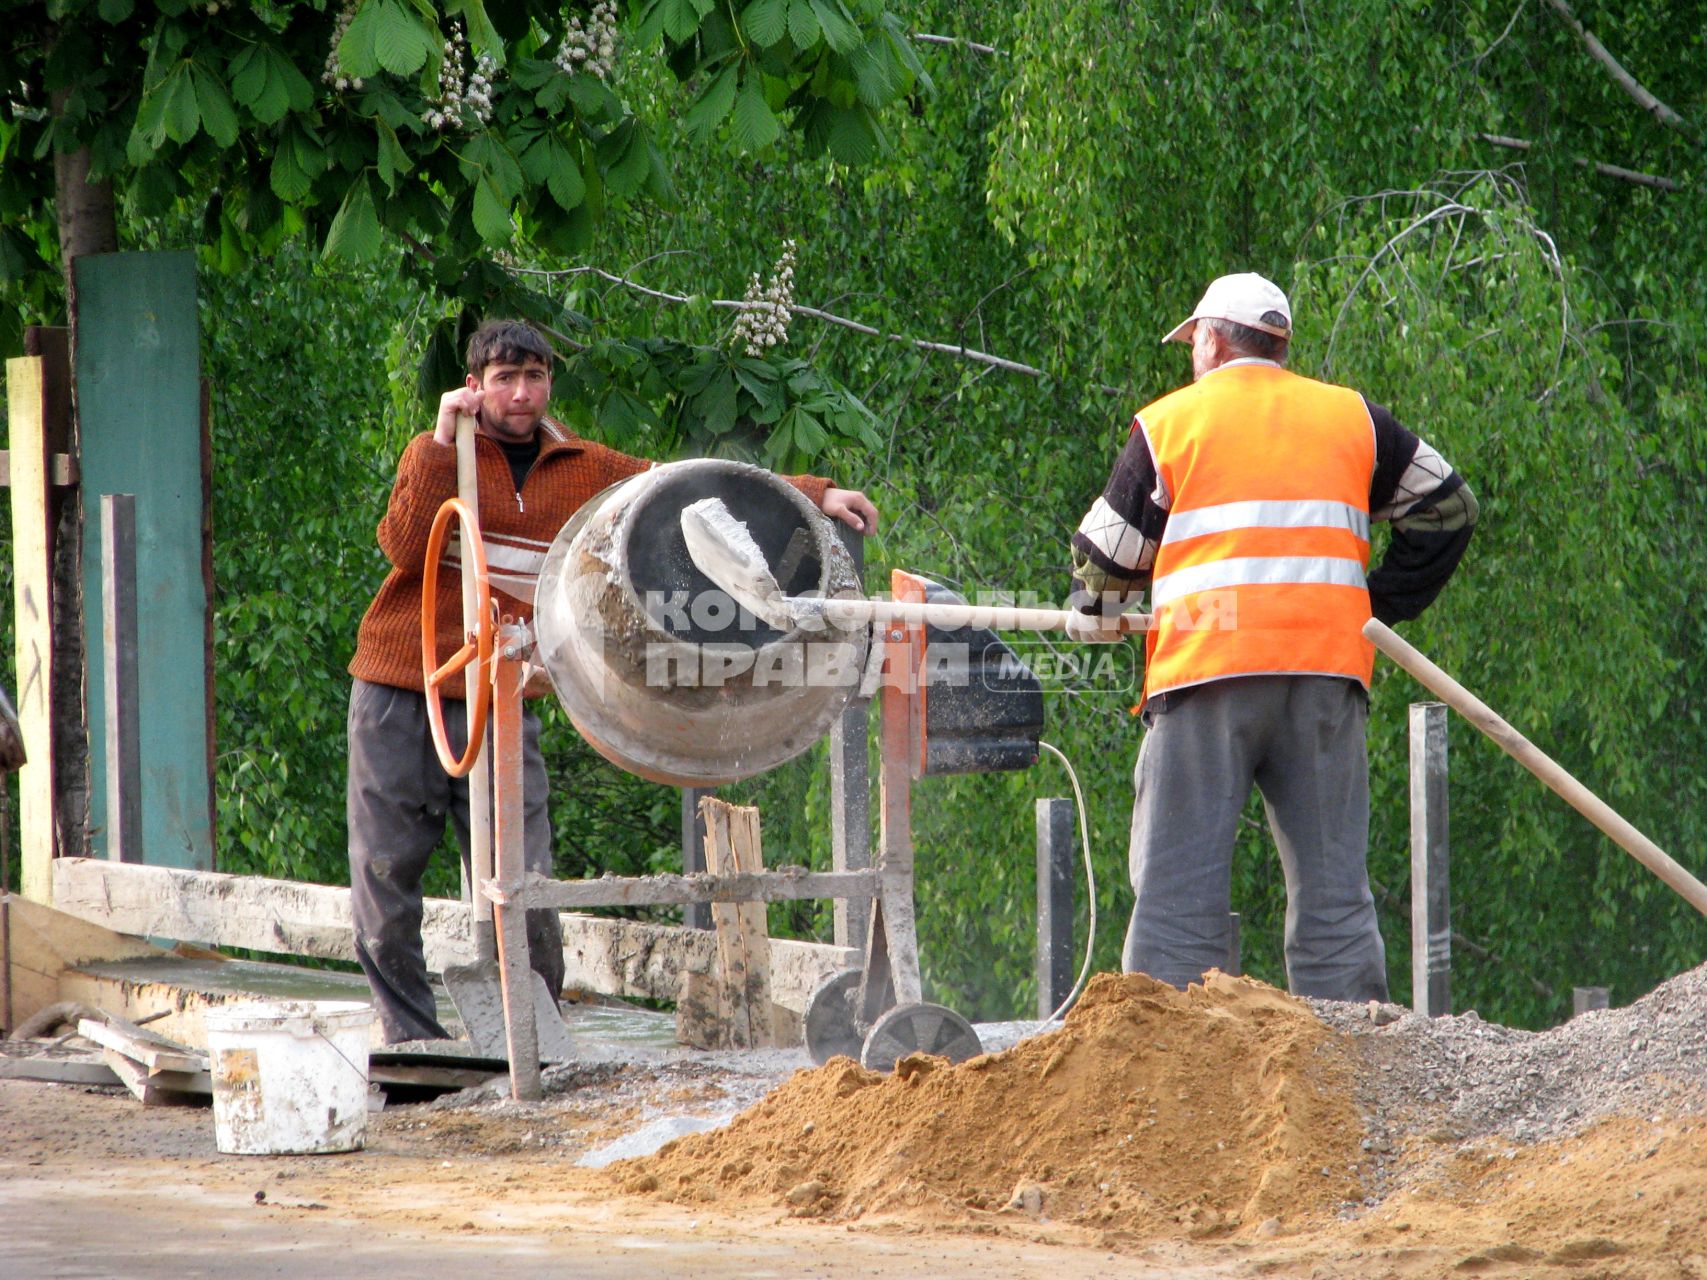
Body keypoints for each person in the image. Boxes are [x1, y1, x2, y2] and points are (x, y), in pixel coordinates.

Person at [348, 319, 879, 1043]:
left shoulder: (585, 467)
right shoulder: (440, 454)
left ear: (548, 384)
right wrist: (441, 443)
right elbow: (405, 546)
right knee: (388, 869)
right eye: (503, 379)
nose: (520, 393)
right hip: (404, 686)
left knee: (524, 877)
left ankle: (533, 1035)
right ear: (473, 387)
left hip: (504, 696)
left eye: (533, 377)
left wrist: (814, 494)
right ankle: (409, 1035)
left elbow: (687, 486)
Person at [1069, 273, 1477, 1002]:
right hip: (1324, 675)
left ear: (1213, 340)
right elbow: (1449, 506)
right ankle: (1351, 1059)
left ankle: (1165, 1063)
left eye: (1191, 341)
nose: (1189, 354)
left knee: (1175, 899)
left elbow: (1102, 572)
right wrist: (1377, 600)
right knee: (1334, 900)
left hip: (1204, 677)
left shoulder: (1168, 425)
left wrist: (1095, 611)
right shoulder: (1355, 420)